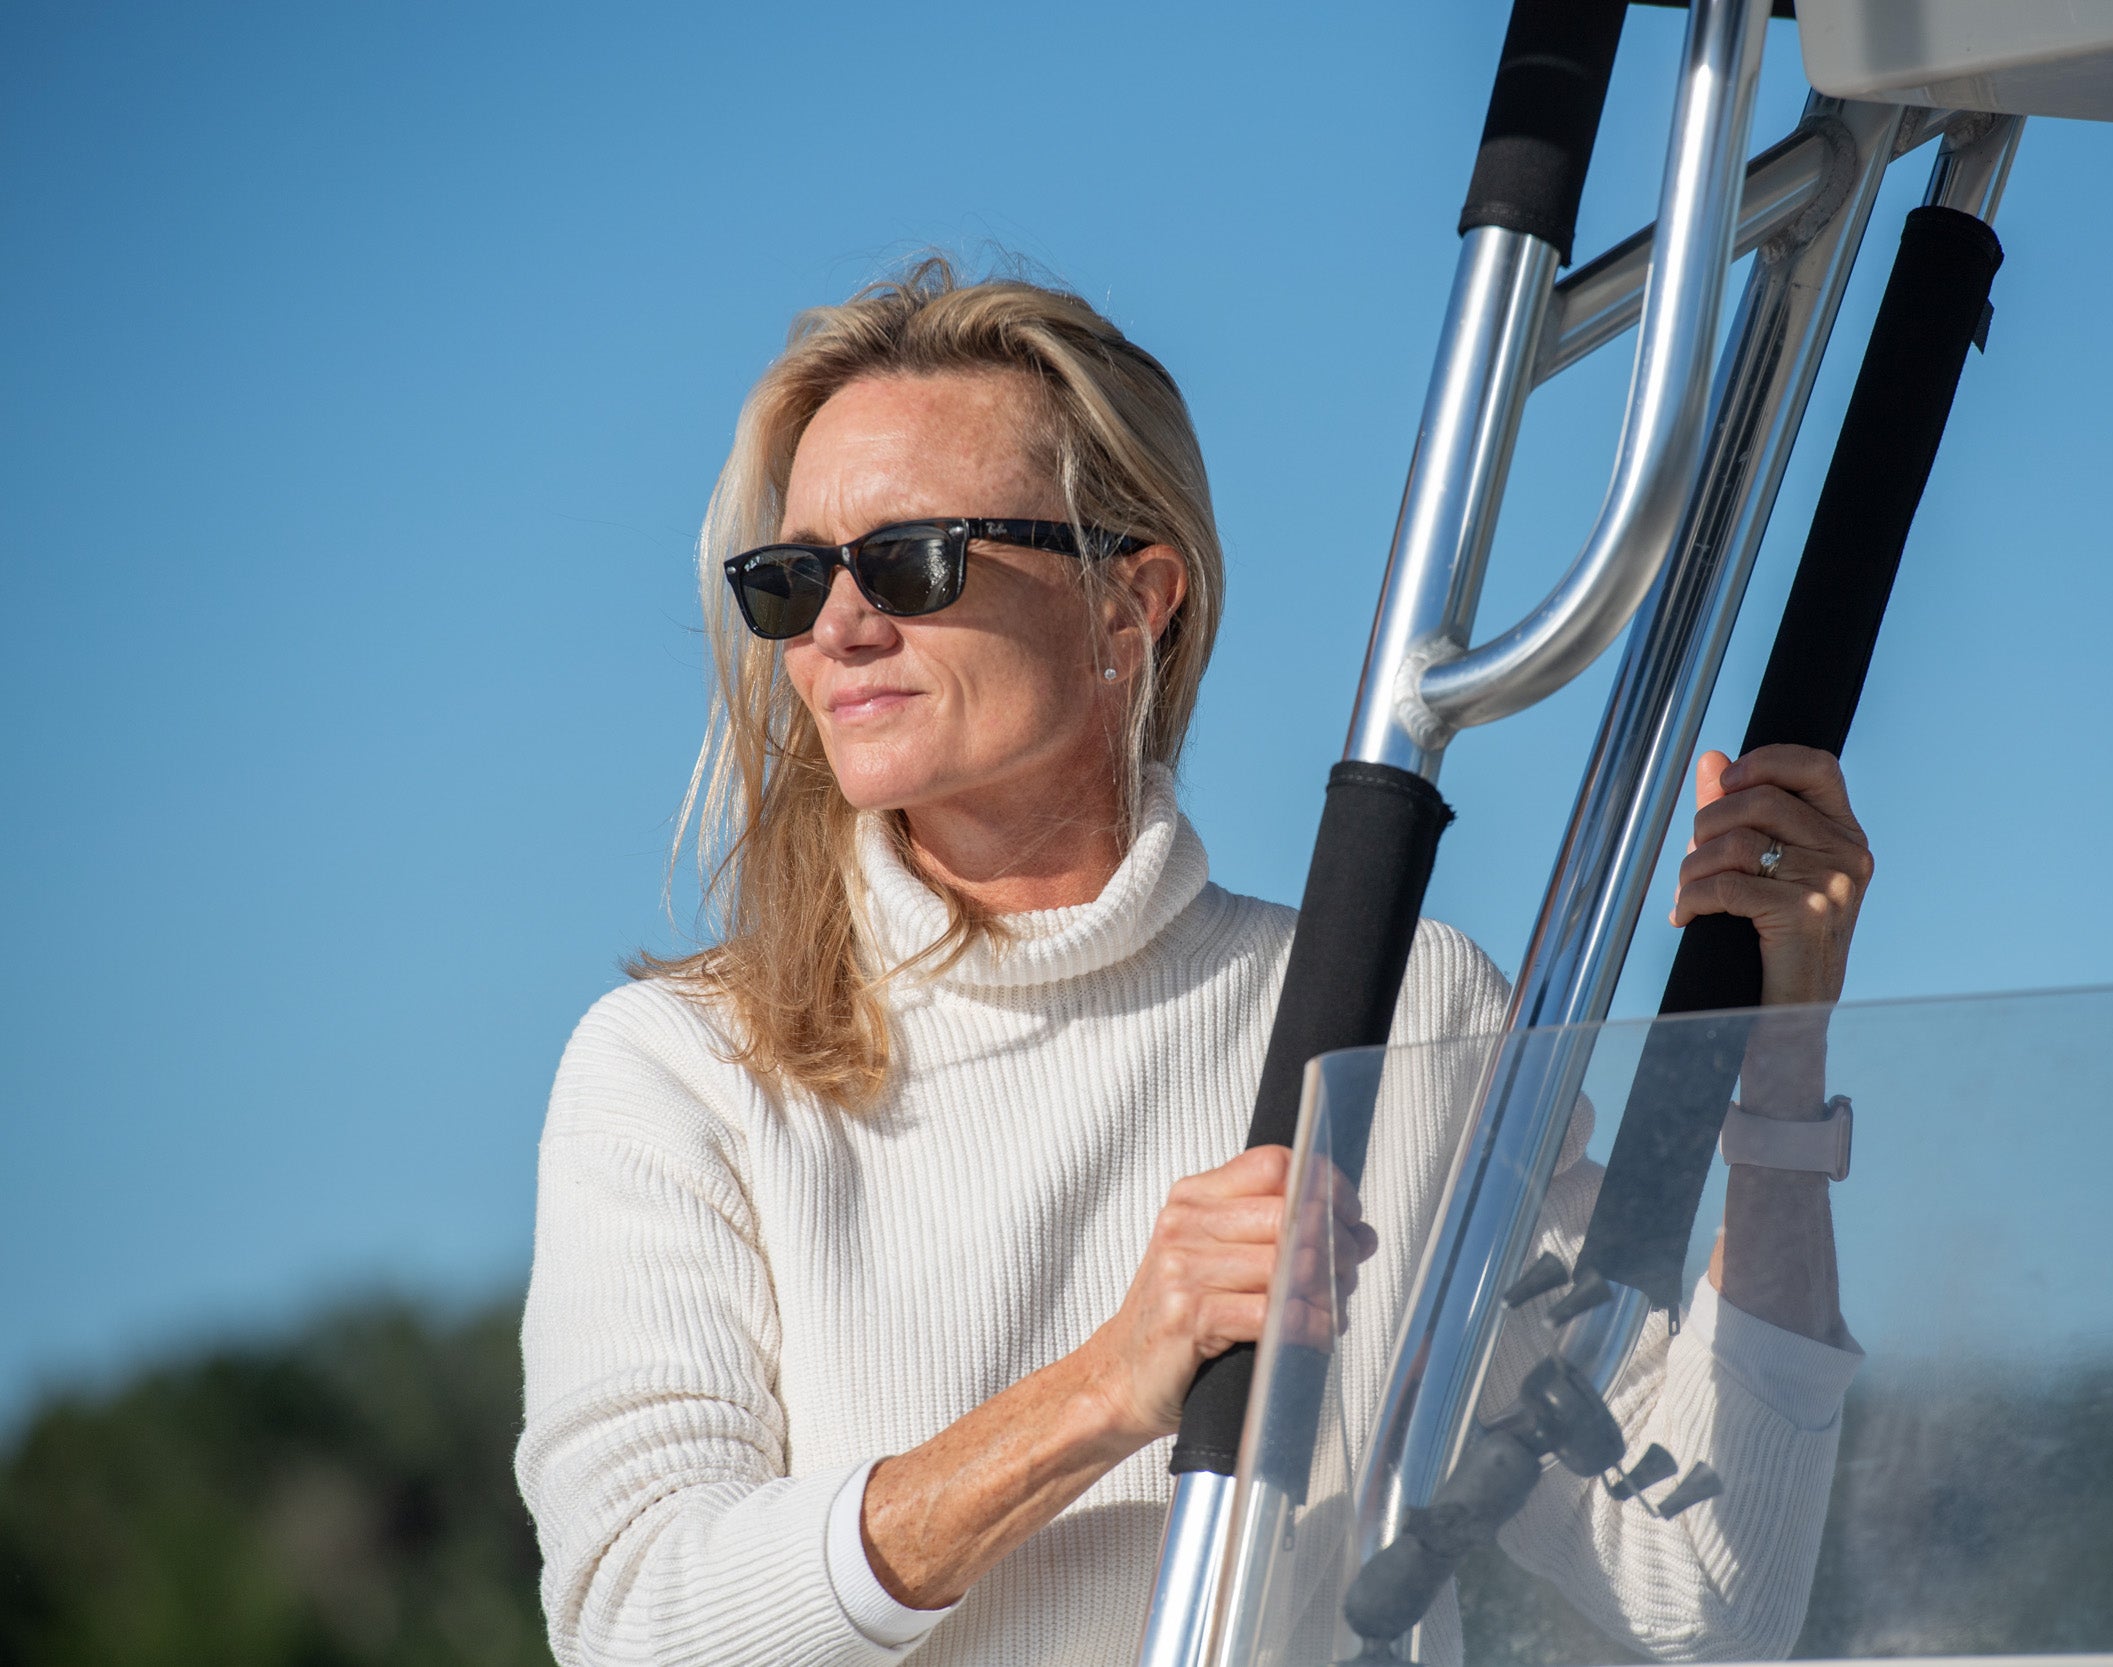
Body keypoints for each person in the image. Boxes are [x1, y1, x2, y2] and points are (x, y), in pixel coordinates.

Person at [515, 259, 1877, 1667]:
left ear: (1133, 601)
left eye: (914, 557)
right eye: (794, 580)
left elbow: (1705, 1587)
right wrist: (1107, 1386)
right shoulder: (679, 1068)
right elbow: (637, 1619)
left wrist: (1780, 1058)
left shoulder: (1406, 1021)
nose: (843, 624)